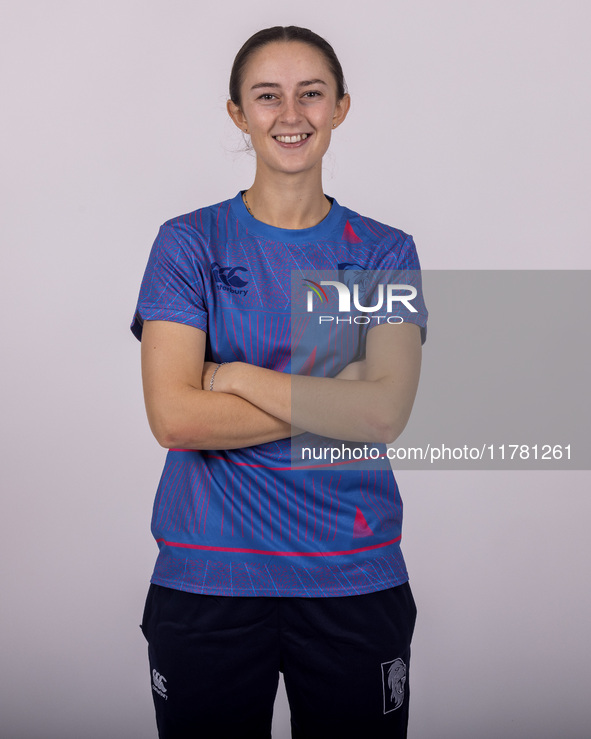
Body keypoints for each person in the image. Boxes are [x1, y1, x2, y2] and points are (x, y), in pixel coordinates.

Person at [131, 25, 428, 739]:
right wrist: (337, 396)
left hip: (352, 577)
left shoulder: (384, 252)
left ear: (340, 108)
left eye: (311, 95)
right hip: (209, 580)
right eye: (267, 96)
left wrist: (232, 375)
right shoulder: (190, 243)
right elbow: (176, 419)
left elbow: (384, 413)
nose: (290, 115)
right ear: (238, 112)